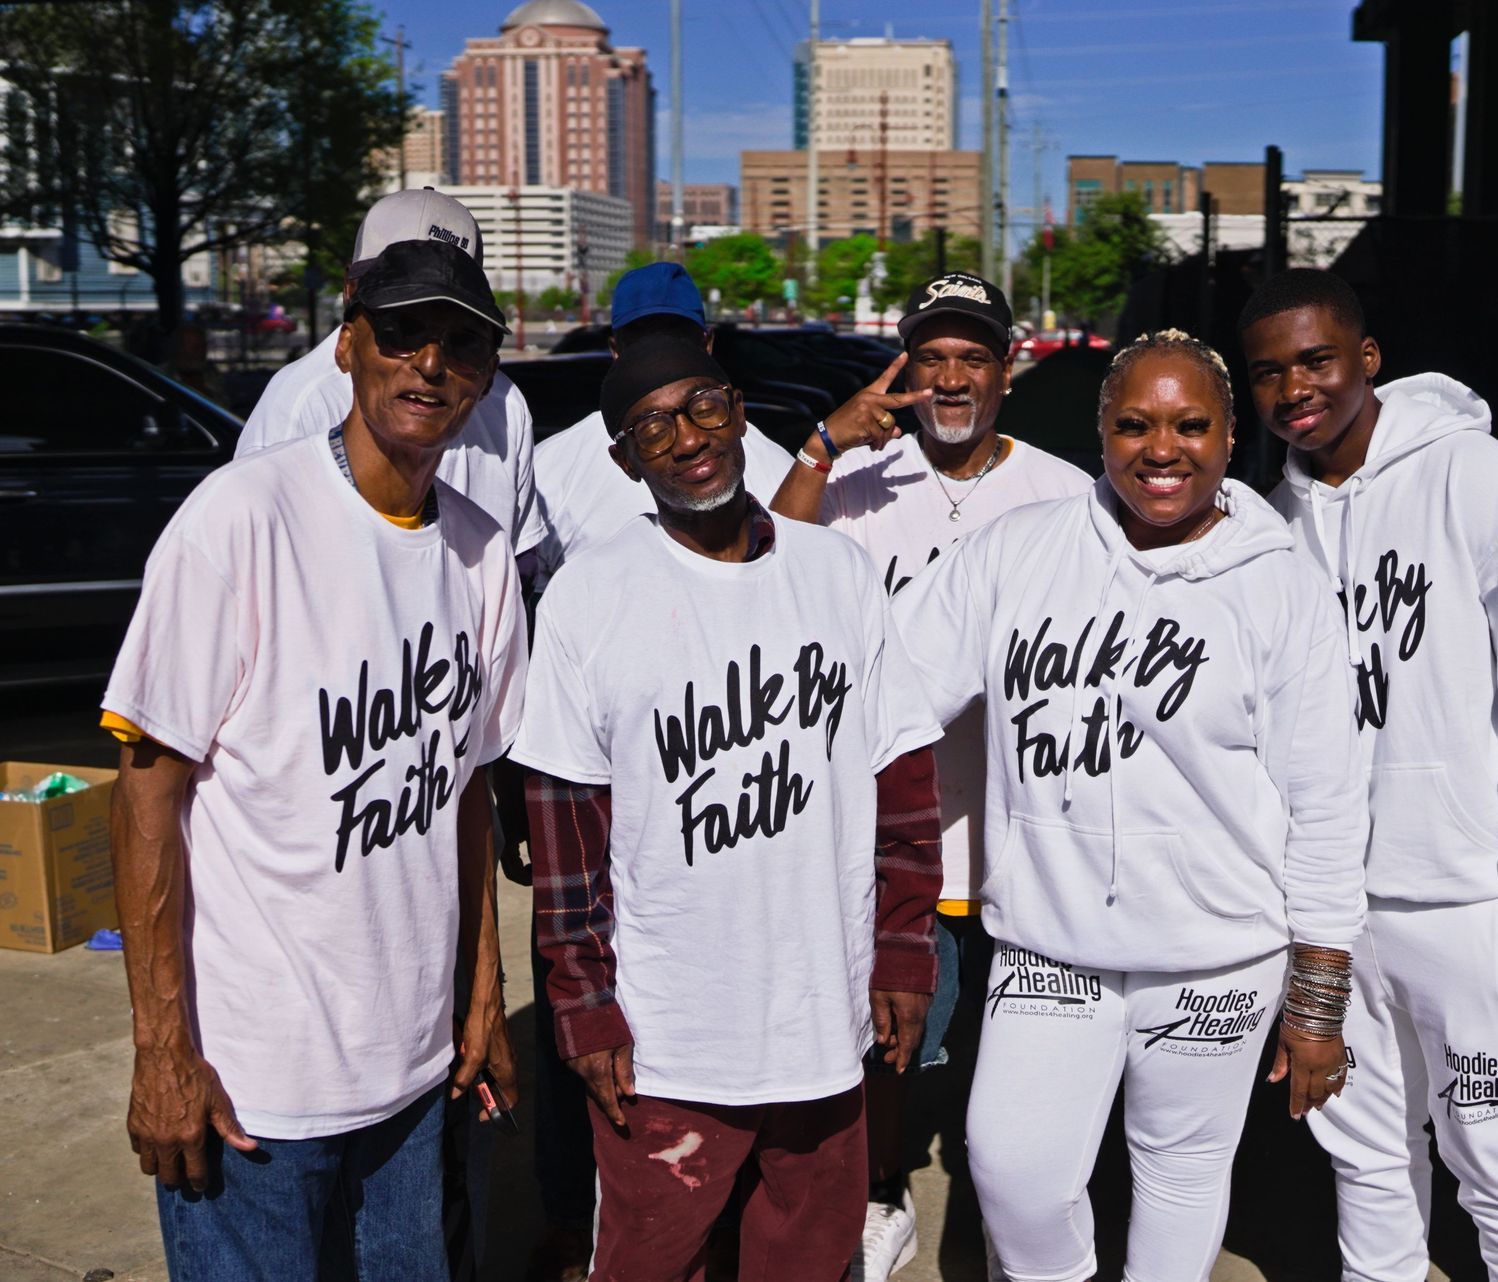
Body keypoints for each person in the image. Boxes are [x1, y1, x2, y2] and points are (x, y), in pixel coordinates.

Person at [893, 330, 1369, 1281]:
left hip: (1218, 957)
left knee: (1181, 1174)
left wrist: (1317, 1000)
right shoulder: (1018, 553)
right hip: (1049, 947)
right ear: (1099, 432)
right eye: (1135, 425)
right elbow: (893, 695)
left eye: (1191, 425)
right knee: (1013, 1170)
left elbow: (1327, 804)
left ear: (1231, 437)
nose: (1163, 449)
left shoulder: (1283, 586)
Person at [100, 238, 527, 1279]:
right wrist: (163, 1051)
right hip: (255, 1087)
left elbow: (466, 785)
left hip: (415, 1082)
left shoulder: (481, 550)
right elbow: (147, 793)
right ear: (348, 346)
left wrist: (481, 994)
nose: (431, 363)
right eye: (404, 334)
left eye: (461, 345)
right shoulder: (241, 519)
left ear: (484, 377)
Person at [511, 334, 946, 1280]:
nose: (687, 438)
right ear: (625, 459)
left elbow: (902, 778)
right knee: (652, 1264)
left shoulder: (836, 573)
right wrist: (584, 1007)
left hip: (821, 1024)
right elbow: (564, 831)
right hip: (668, 1046)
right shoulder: (590, 595)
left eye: (703, 406)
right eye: (651, 427)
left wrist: (907, 947)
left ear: (740, 409)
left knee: (806, 1261)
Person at [1244, 269, 1498, 1280]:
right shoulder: (1272, 523)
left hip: (1468, 904)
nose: (1295, 389)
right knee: (1363, 1155)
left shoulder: (1474, 477)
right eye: (1269, 373)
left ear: (1367, 358)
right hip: (1339, 915)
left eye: (1315, 360)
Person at [769, 270, 1091, 1277]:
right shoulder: (858, 481)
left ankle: (1019, 1213)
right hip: (894, 832)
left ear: (1008, 366)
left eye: (972, 356)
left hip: (1020, 836)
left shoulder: (1062, 491)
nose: (951, 377)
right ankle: (882, 1186)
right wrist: (823, 445)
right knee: (886, 1040)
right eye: (932, 356)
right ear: (905, 365)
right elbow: (765, 576)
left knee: (1024, 1054)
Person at [238, 188, 547, 565]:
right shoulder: (302, 402)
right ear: (351, 289)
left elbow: (521, 565)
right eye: (403, 321)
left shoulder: (504, 403)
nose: (429, 363)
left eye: (456, 325)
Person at [531, 263, 796, 585]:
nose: (688, 443)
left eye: (676, 338)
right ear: (624, 461)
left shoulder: (778, 470)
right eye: (641, 341)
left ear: (707, 343)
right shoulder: (551, 467)